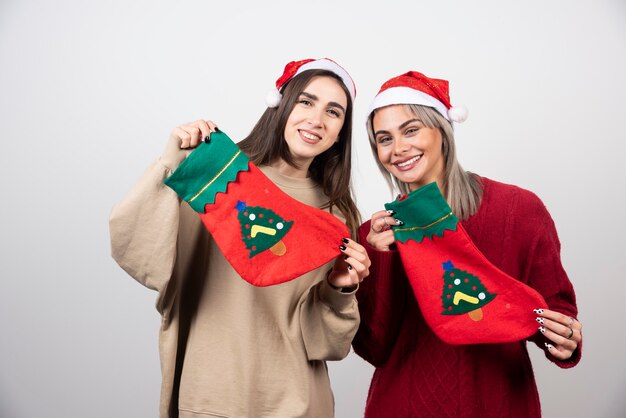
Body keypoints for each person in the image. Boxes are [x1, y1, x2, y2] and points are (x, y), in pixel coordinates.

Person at [109, 58, 371, 418]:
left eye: (334, 112)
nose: (316, 119)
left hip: (299, 402)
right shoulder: (218, 177)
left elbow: (326, 343)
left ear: (341, 132)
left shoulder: (336, 214)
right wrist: (171, 165)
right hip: (211, 396)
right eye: (306, 102)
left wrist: (339, 291)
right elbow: (137, 250)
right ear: (280, 105)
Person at [352, 71, 582, 418]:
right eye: (384, 139)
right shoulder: (373, 234)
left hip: (498, 404)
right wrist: (379, 259)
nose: (398, 148)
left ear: (442, 130)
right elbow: (374, 348)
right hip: (402, 406)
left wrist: (562, 340)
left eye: (410, 130)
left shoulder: (518, 210)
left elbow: (555, 312)